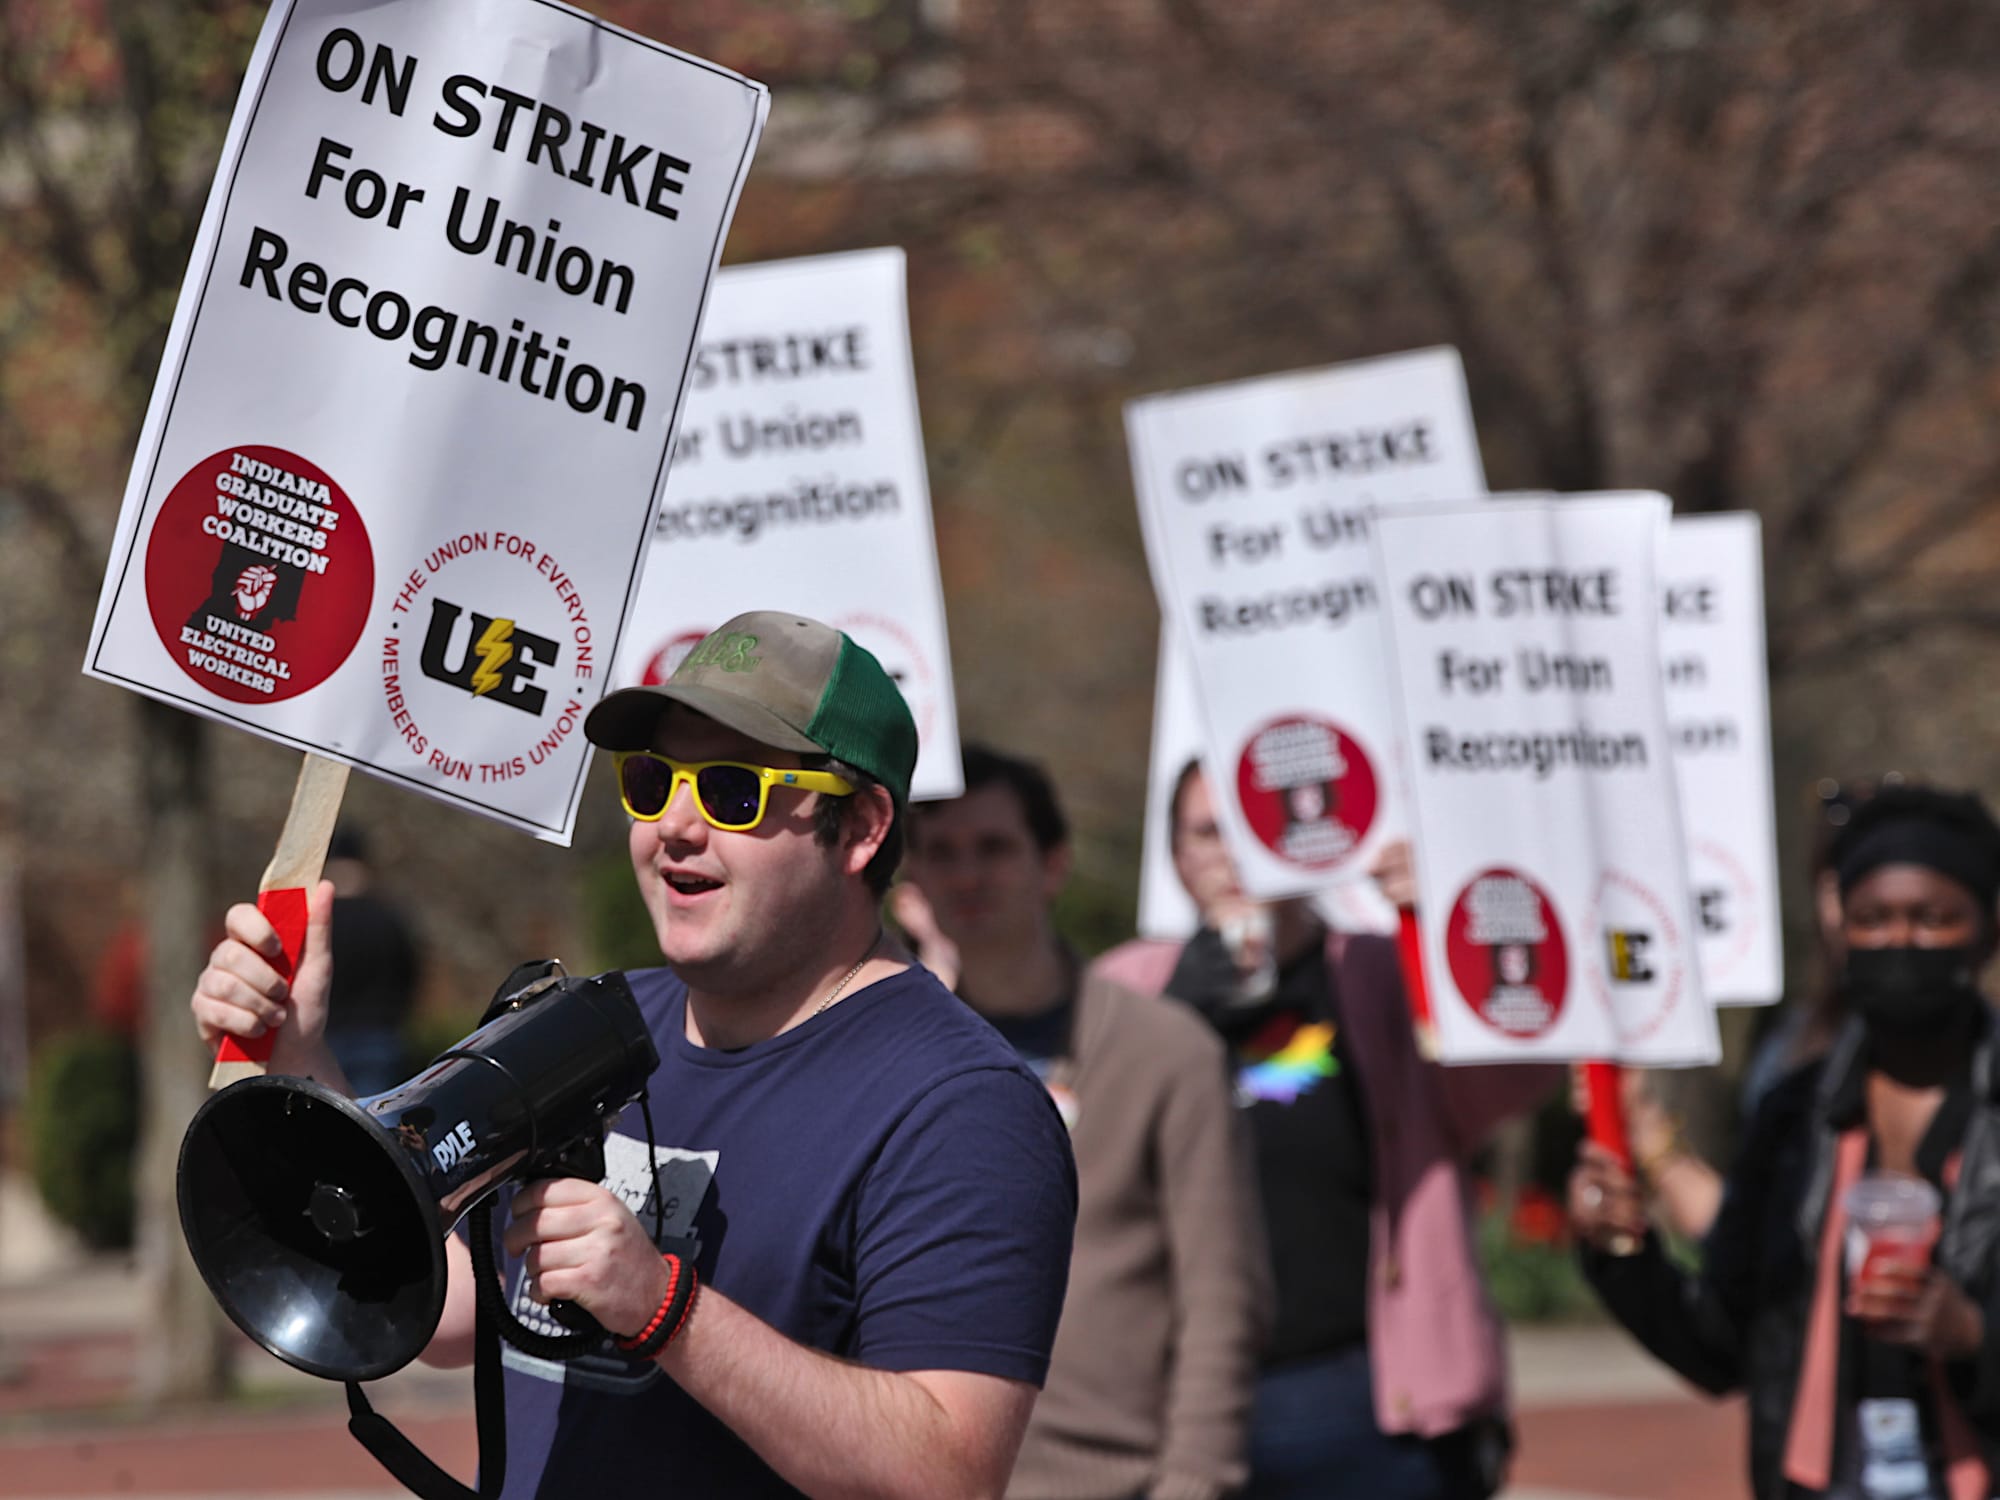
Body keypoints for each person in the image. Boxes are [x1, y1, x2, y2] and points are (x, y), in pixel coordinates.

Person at [191, 610, 1078, 1499]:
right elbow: (453, 1307)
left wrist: (665, 1308)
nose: (675, 828)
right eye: (652, 782)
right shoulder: (585, 1022)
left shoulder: (964, 1104)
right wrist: (297, 1057)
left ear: (860, 829)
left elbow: (948, 1473)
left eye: (735, 792)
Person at [1095, 761, 1558, 1500]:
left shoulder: (1378, 970)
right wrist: (1167, 1023)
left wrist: (1444, 933)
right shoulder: (1128, 988)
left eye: (1254, 825)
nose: (1232, 854)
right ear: (1177, 858)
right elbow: (1073, 1164)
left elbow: (1517, 1074)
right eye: (1209, 832)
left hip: (1367, 1399)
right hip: (1180, 1402)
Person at [1570, 783, 2000, 1500]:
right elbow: (1720, 1345)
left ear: (1987, 928)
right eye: (1874, 918)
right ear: (1840, 932)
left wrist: (1975, 1338)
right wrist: (1620, 1250)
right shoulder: (1793, 1117)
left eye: (1932, 918)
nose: (1901, 940)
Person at [901, 745, 1269, 1500]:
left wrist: (1194, 1482)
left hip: (1118, 1481)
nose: (967, 875)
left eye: (995, 847)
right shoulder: (890, 1059)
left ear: (1054, 864)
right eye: (941, 852)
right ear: (913, 880)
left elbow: (1222, 1302)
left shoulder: (1169, 1052)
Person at [320, 825, 421, 1097]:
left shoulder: (317, 923)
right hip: (380, 1036)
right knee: (375, 1126)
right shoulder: (387, 916)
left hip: (326, 1038)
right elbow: (410, 973)